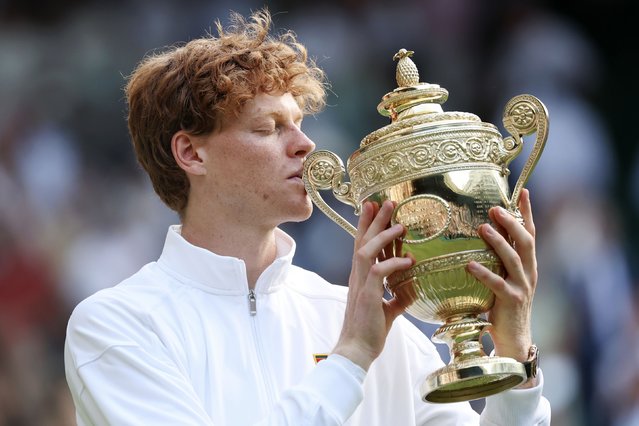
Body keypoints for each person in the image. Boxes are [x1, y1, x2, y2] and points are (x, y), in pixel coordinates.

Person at [64, 9, 550, 425]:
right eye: (268, 127)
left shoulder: (375, 327)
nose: (305, 144)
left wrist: (515, 360)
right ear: (191, 153)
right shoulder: (116, 326)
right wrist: (350, 359)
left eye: (299, 123)